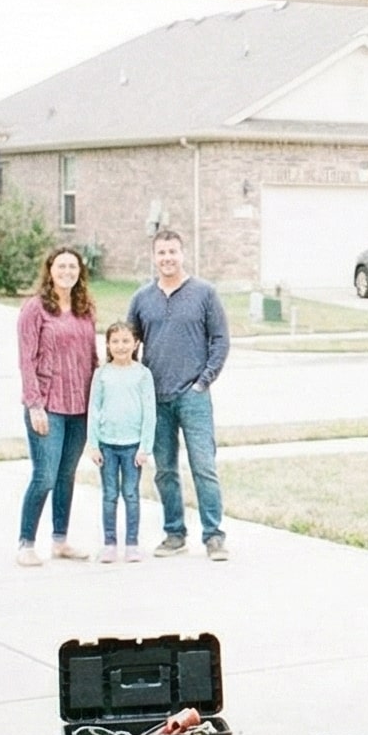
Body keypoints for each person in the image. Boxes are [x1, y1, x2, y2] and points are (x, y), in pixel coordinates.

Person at [129, 230, 232, 559]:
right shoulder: (142, 298)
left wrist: (203, 381)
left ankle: (214, 536)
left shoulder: (204, 293)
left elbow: (220, 340)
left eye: (172, 252)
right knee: (165, 470)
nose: (167, 258)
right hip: (156, 398)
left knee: (204, 466)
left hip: (194, 395)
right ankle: (174, 533)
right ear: (154, 257)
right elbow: (128, 344)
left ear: (182, 254)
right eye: (161, 253)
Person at [14, 245, 100, 567]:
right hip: (47, 405)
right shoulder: (34, 309)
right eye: (61, 266)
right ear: (50, 270)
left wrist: (98, 405)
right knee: (45, 476)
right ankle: (26, 543)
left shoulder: (84, 308)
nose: (67, 272)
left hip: (80, 406)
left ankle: (60, 541)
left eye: (73, 267)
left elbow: (91, 358)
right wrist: (34, 404)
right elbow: (26, 360)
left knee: (67, 475)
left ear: (80, 272)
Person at [89, 321, 157, 563]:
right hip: (107, 445)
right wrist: (93, 443)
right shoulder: (102, 374)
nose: (120, 346)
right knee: (109, 495)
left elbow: (150, 412)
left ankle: (132, 544)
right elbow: (94, 409)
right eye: (115, 341)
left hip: (132, 447)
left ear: (136, 343)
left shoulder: (142, 374)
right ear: (107, 344)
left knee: (130, 493)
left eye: (126, 341)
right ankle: (109, 543)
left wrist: (145, 448)